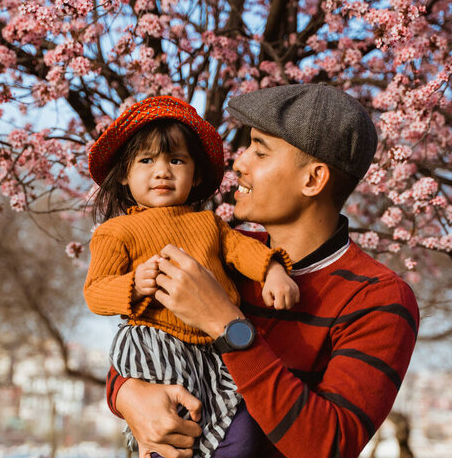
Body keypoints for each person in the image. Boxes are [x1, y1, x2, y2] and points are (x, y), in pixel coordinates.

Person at [105, 84, 420, 458]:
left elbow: (328, 446)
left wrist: (227, 326)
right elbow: (148, 338)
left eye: (260, 150)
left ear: (313, 180)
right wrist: (127, 394)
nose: (239, 163)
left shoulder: (378, 298)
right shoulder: (221, 249)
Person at [83, 95, 299, 458]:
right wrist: (133, 285)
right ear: (124, 173)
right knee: (171, 435)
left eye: (176, 160)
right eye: (146, 161)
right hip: (156, 344)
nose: (162, 171)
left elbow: (242, 250)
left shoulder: (209, 224)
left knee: (241, 430)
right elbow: (95, 292)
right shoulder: (116, 231)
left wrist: (273, 270)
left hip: (216, 350)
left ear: (195, 173)